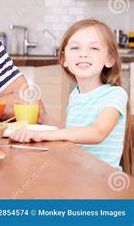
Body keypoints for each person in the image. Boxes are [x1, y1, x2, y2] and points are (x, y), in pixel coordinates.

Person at [10, 19, 131, 174]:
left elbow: (97, 133)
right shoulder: (76, 95)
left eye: (94, 48)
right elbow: (73, 133)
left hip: (102, 182)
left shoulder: (114, 94)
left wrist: (41, 134)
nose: (83, 54)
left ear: (110, 59)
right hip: (77, 176)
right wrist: (44, 117)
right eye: (75, 47)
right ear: (64, 59)